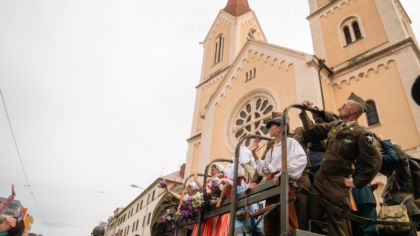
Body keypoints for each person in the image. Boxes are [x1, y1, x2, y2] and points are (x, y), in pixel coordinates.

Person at [303, 92, 382, 236]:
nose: (339, 108)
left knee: (338, 225)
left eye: (343, 106)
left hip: (337, 184)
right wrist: (304, 112)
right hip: (321, 180)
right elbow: (313, 131)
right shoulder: (336, 125)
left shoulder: (362, 133)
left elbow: (374, 162)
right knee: (315, 220)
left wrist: (357, 182)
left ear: (352, 111)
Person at [245, 114, 308, 235]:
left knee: (287, 219)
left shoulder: (291, 142)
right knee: (270, 222)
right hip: (271, 186)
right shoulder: (273, 147)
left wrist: (283, 173)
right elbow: (264, 169)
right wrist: (254, 154)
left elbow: (301, 161)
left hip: (284, 184)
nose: (268, 128)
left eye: (271, 125)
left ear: (280, 128)